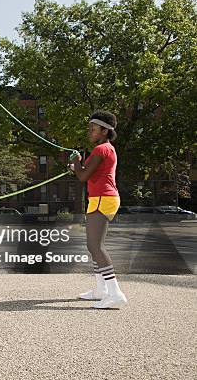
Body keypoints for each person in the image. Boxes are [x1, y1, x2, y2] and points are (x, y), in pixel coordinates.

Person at [70, 111, 127, 309]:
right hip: (101, 198)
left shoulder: (101, 149)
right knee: (92, 246)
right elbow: (87, 174)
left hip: (104, 198)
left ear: (105, 130)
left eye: (93, 129)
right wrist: (77, 166)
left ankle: (115, 292)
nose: (90, 132)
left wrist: (76, 161)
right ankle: (101, 289)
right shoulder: (105, 149)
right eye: (90, 128)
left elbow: (82, 177)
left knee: (96, 246)